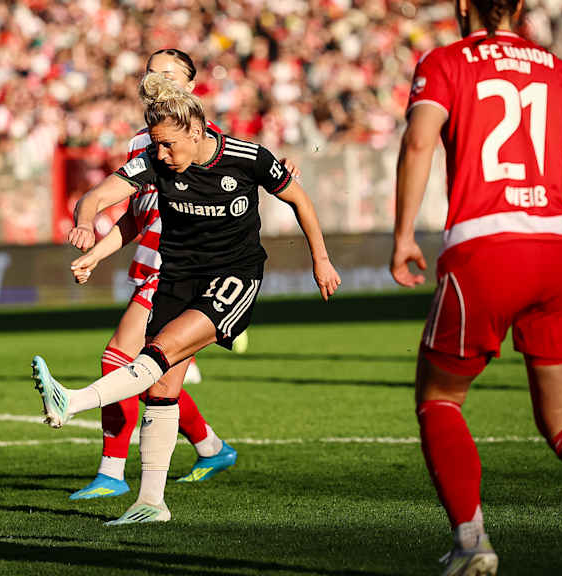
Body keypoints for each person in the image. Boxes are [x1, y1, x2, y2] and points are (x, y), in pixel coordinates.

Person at [34, 72, 340, 525]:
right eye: (155, 145)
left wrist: (321, 258)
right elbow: (99, 196)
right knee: (161, 390)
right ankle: (151, 503)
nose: (160, 154)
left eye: (168, 145)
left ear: (197, 132)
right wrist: (84, 223)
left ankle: (73, 402)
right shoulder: (157, 164)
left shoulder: (247, 157)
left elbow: (300, 200)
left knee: (157, 352)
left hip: (232, 277)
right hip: (175, 278)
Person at [391, 0, 562, 573]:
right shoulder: (559, 68)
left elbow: (420, 142)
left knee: (440, 398)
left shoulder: (447, 62)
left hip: (487, 246)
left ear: (462, 6)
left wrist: (403, 235)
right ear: (520, 7)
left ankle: (472, 542)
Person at [65, 49, 242, 501]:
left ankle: (112, 472)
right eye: (150, 72)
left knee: (120, 359)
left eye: (168, 73)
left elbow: (245, 177)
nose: (156, 78)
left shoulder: (204, 140)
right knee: (155, 376)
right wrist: (97, 253)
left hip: (181, 269)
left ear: (190, 86)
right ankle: (210, 447)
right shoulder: (141, 142)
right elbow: (134, 217)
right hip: (149, 262)